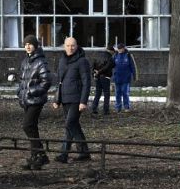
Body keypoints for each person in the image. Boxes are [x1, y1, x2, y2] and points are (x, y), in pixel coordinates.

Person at [52, 35, 92, 163]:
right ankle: (67, 154)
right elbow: (59, 81)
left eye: (72, 45)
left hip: (76, 99)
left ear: (77, 46)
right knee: (72, 126)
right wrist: (57, 100)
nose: (70, 48)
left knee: (69, 124)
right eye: (68, 45)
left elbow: (87, 82)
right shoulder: (62, 60)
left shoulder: (82, 61)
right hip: (65, 98)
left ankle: (81, 151)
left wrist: (83, 101)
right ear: (64, 46)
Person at [16, 35, 52, 170]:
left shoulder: (41, 62)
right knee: (32, 128)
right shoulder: (25, 61)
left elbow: (46, 81)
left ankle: (40, 155)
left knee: (27, 126)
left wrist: (31, 92)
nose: (27, 46)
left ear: (35, 46)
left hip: (36, 100)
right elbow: (21, 80)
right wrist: (20, 92)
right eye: (25, 44)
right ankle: (36, 157)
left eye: (30, 44)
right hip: (26, 100)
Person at [111, 43, 136, 112]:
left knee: (125, 93)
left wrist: (134, 76)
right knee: (117, 93)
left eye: (121, 49)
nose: (119, 50)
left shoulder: (128, 55)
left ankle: (126, 107)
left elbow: (132, 66)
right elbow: (110, 65)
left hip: (126, 78)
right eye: (118, 49)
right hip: (117, 78)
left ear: (124, 48)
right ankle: (118, 107)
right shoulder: (115, 55)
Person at [90, 45, 113, 115]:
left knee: (98, 93)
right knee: (106, 94)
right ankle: (106, 110)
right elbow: (107, 66)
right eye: (113, 52)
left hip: (97, 77)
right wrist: (99, 72)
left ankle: (94, 108)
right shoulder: (109, 57)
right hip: (105, 77)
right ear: (111, 51)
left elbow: (92, 65)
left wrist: (94, 74)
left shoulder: (97, 55)